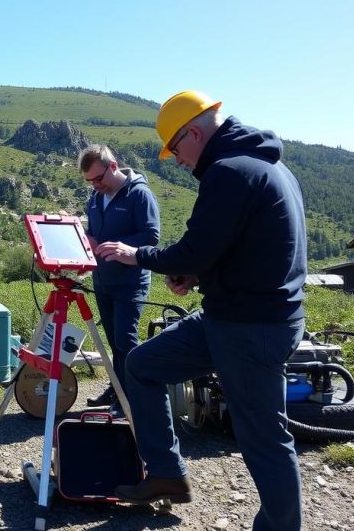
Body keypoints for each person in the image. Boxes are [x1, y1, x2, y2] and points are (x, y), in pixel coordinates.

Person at [95, 91, 307, 531]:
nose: (175, 160)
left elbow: (196, 247)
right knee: (142, 365)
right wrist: (198, 275)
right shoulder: (264, 167)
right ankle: (168, 475)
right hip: (227, 317)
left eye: (175, 149)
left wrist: (140, 256)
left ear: (194, 132)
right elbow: (243, 247)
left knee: (264, 439)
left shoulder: (230, 171)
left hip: (252, 327)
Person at [77, 144, 160, 417]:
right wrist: (88, 241)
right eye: (89, 181)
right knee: (113, 341)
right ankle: (116, 389)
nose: (95, 185)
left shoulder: (139, 195)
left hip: (131, 281)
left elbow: (151, 237)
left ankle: (130, 400)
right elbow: (95, 234)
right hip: (103, 280)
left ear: (113, 166)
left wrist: (120, 246)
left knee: (126, 340)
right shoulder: (95, 197)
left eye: (98, 179)